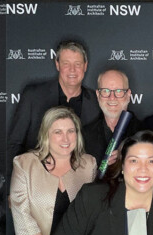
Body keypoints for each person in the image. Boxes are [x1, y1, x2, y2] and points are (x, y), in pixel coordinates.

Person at [10, 107, 96, 235]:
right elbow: (21, 213)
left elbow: (90, 217)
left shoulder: (88, 165)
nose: (65, 138)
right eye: (58, 132)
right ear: (46, 134)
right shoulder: (25, 163)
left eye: (70, 131)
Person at [7, 40, 100, 177]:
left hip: (80, 183)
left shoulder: (97, 101)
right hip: (37, 180)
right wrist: (12, 190)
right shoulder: (33, 95)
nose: (72, 70)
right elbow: (14, 144)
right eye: (66, 64)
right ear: (57, 65)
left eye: (78, 64)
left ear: (85, 66)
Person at [83, 69, 144, 169]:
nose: (112, 97)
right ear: (98, 95)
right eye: (106, 91)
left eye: (119, 91)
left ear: (128, 95)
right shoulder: (84, 135)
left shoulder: (146, 134)